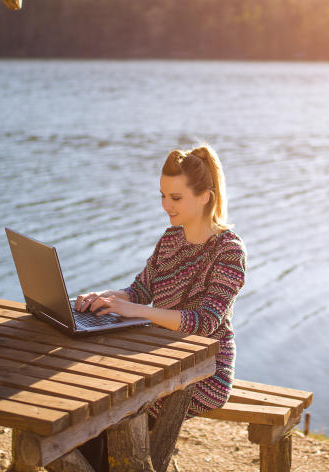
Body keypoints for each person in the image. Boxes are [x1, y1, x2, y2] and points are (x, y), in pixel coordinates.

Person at [74, 144, 246, 420]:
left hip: (206, 370)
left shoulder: (228, 250)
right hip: (160, 356)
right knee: (91, 387)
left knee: (118, 406)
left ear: (204, 197)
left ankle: (123, 462)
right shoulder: (170, 239)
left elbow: (205, 322)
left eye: (176, 197)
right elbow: (141, 290)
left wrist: (140, 311)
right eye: (163, 196)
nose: (166, 205)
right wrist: (107, 297)